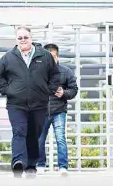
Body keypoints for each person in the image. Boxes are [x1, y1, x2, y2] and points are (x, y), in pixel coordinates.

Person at [0, 26, 61, 178]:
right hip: (16, 104)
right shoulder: (8, 57)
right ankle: (18, 162)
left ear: (31, 38)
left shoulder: (44, 55)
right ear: (16, 40)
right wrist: (7, 90)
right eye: (20, 38)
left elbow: (55, 74)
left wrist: (49, 90)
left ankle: (31, 165)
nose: (23, 40)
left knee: (33, 134)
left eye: (25, 37)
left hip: (39, 104)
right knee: (19, 131)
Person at [36, 43, 78, 177]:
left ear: (58, 56)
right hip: (41, 110)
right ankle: (40, 165)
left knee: (60, 139)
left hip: (59, 110)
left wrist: (64, 93)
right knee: (39, 139)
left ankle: (63, 167)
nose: (51, 60)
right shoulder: (38, 72)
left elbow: (74, 89)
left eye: (53, 57)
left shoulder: (66, 71)